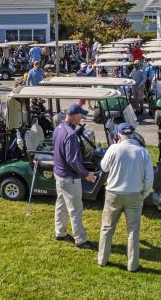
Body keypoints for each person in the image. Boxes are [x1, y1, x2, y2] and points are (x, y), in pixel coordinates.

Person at [97, 122, 154, 271]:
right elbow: (149, 177)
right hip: (135, 194)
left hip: (113, 193)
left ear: (119, 135)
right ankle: (132, 265)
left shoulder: (114, 148)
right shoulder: (143, 152)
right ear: (133, 134)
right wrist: (145, 193)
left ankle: (102, 259)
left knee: (107, 228)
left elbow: (104, 167)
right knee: (133, 231)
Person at [52, 103, 97, 250]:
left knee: (61, 204)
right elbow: (72, 160)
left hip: (58, 174)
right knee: (75, 209)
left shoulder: (58, 128)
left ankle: (60, 232)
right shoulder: (71, 135)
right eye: (81, 115)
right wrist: (86, 174)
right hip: (69, 177)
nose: (82, 118)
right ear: (74, 116)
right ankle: (81, 240)